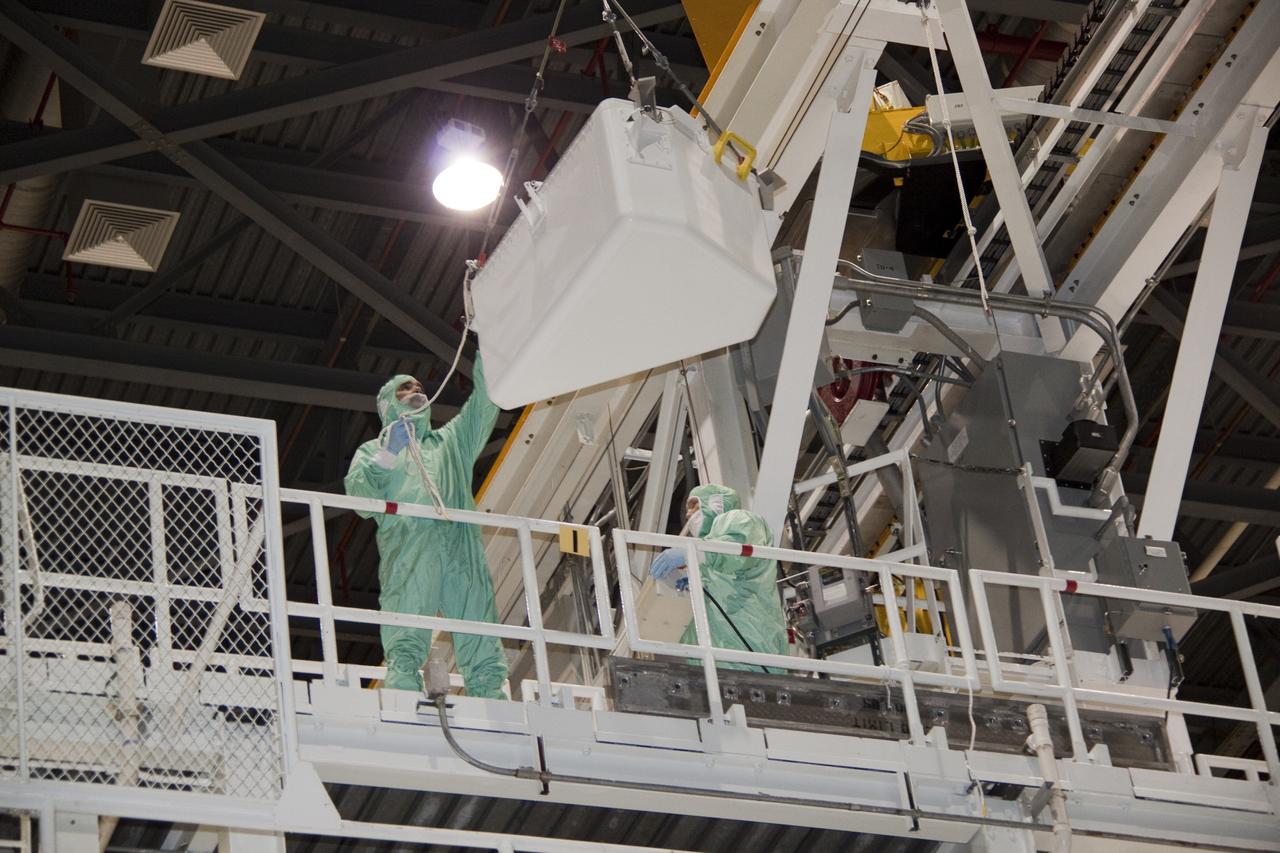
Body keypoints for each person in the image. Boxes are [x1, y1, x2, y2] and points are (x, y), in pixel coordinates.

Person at [344, 359, 508, 697]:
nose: (415, 391)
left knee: (475, 612)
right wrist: (389, 455)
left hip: (460, 545)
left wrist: (487, 349)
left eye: (418, 387)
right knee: (407, 607)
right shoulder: (374, 452)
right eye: (404, 389)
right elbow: (360, 500)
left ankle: (488, 687)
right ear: (387, 405)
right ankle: (403, 681)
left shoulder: (451, 443)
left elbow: (483, 404)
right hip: (409, 547)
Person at [648, 484, 789, 670]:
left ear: (716, 503)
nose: (689, 515)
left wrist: (692, 553)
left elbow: (735, 550)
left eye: (694, 506)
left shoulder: (740, 520)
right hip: (715, 666)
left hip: (751, 657)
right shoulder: (705, 563)